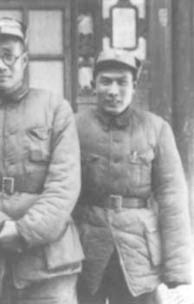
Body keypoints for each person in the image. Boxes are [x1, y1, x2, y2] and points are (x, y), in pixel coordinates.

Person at [0, 17, 84, 304]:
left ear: (24, 60)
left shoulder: (56, 109)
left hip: (48, 262)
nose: (0, 65)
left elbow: (65, 185)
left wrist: (24, 231)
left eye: (8, 56)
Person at [75, 49, 192, 304]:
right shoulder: (75, 127)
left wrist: (177, 267)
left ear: (134, 86)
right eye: (106, 81)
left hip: (139, 251)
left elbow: (173, 199)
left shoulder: (156, 128)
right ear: (94, 85)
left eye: (122, 82)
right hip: (87, 249)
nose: (113, 90)